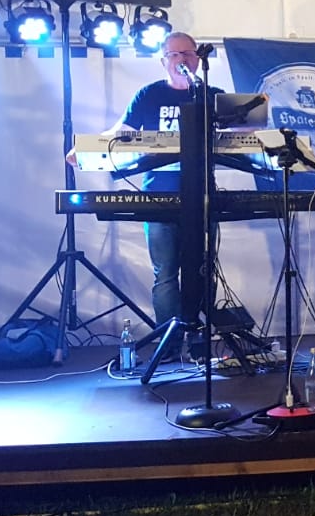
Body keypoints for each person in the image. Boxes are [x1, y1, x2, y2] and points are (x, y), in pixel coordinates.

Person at [71, 31, 217, 353]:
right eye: (174, 54)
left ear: (198, 58)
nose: (181, 59)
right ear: (164, 61)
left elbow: (243, 130)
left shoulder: (211, 96)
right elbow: (121, 132)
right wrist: (88, 148)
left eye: (187, 53)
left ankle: (199, 342)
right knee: (165, 273)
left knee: (203, 270)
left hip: (201, 194)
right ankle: (169, 343)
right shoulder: (149, 95)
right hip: (159, 196)